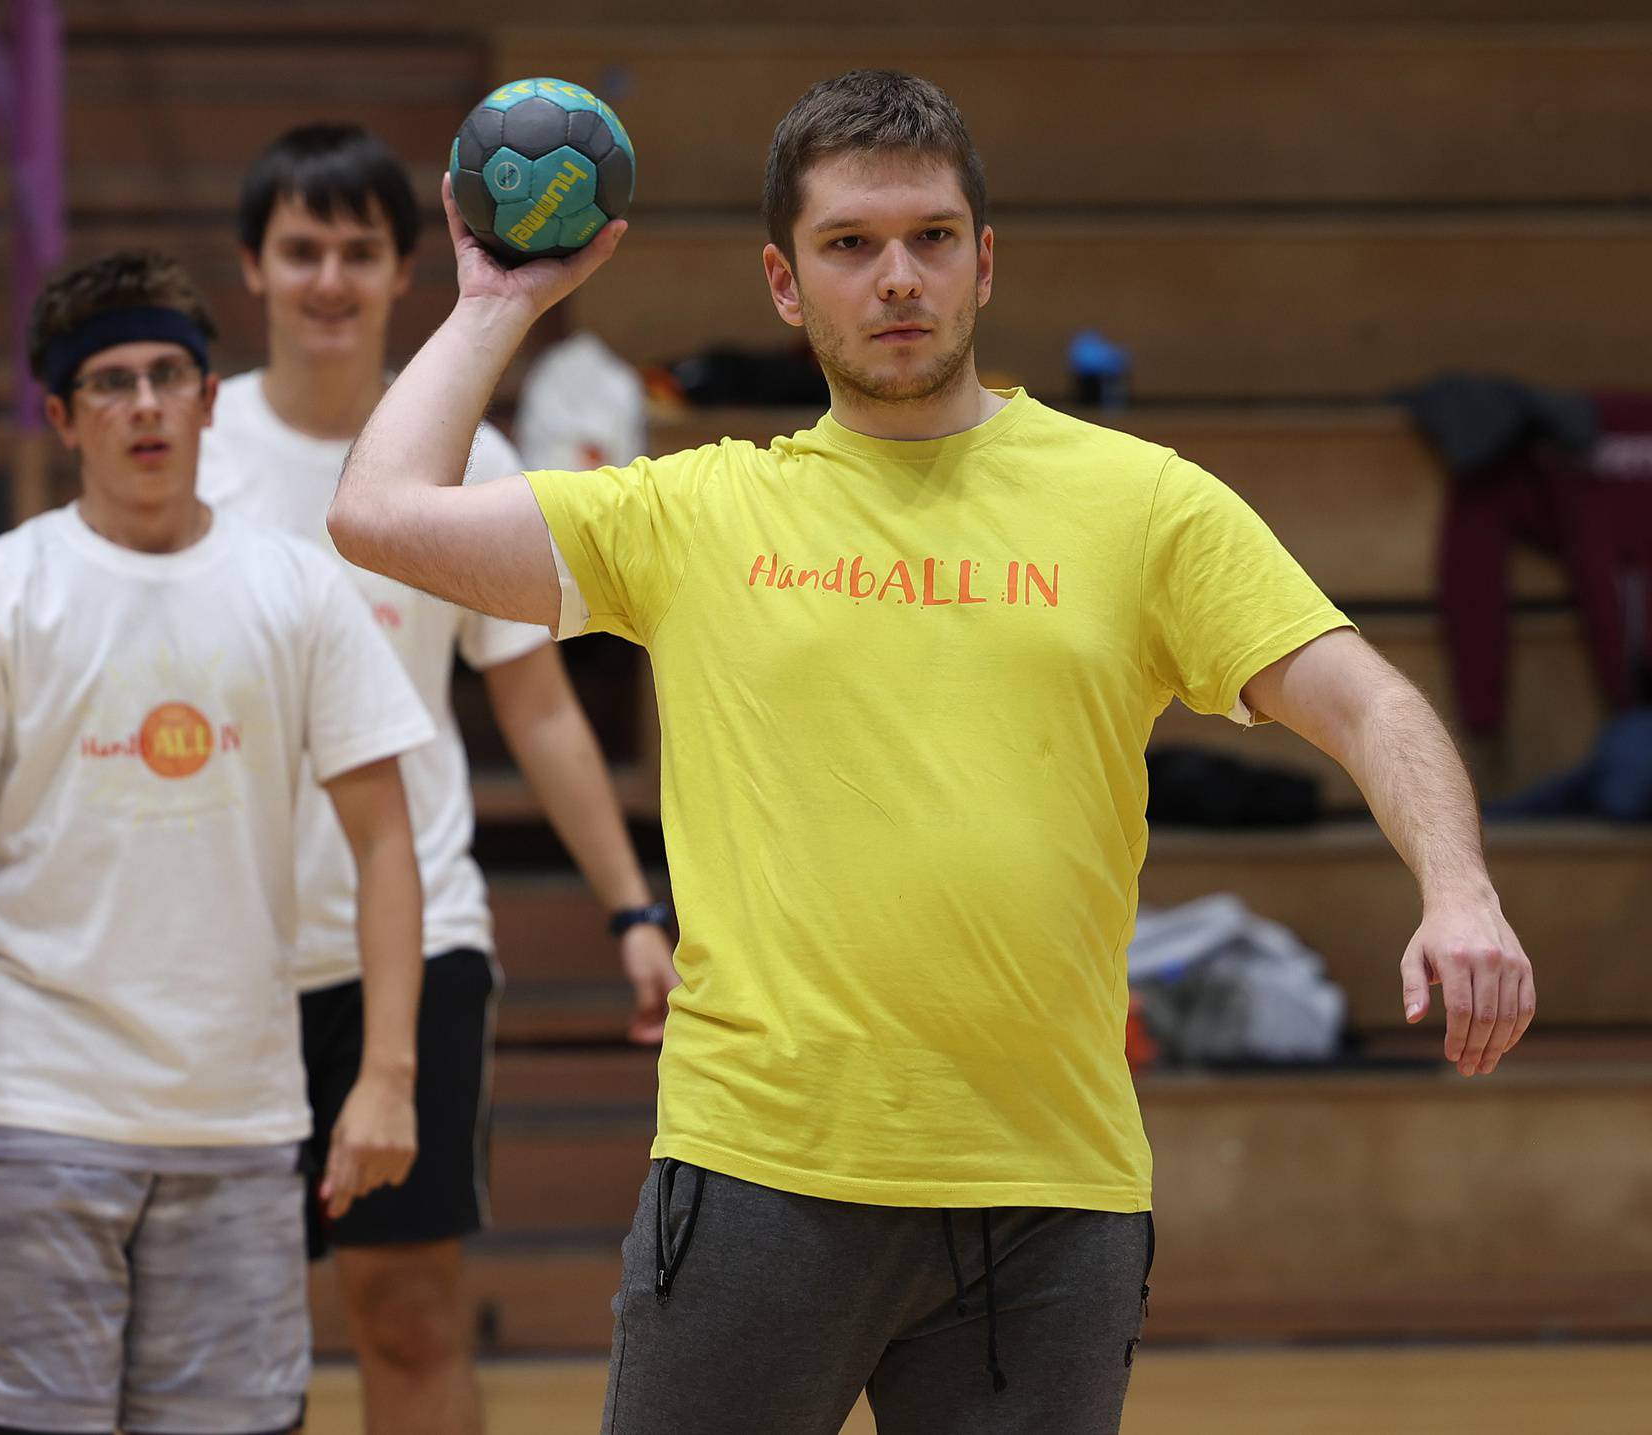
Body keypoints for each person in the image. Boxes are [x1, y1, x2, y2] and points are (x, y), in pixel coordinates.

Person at [325, 69, 1539, 1435]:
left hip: (1049, 1196)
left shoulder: (1142, 505)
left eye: (931, 238)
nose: (896, 277)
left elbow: (1371, 700)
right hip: (760, 1176)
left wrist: (1460, 885)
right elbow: (377, 513)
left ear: (983, 261)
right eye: (850, 245)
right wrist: (499, 303)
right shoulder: (696, 512)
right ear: (787, 285)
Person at [0, 251, 435, 1435]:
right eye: (110, 383)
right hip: (34, 1114)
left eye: (168, 375)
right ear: (64, 417)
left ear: (208, 397)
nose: (144, 406)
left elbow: (388, 841)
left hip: (242, 1119)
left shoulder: (303, 591)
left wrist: (385, 1076)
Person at [195, 124, 680, 1435]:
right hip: (211, 953)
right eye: (303, 249)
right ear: (255, 267)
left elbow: (537, 707)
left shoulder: (468, 452)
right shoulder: (189, 450)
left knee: (406, 1308)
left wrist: (634, 908)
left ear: (407, 268)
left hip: (413, 946)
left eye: (361, 249)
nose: (331, 278)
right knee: (218, 1327)